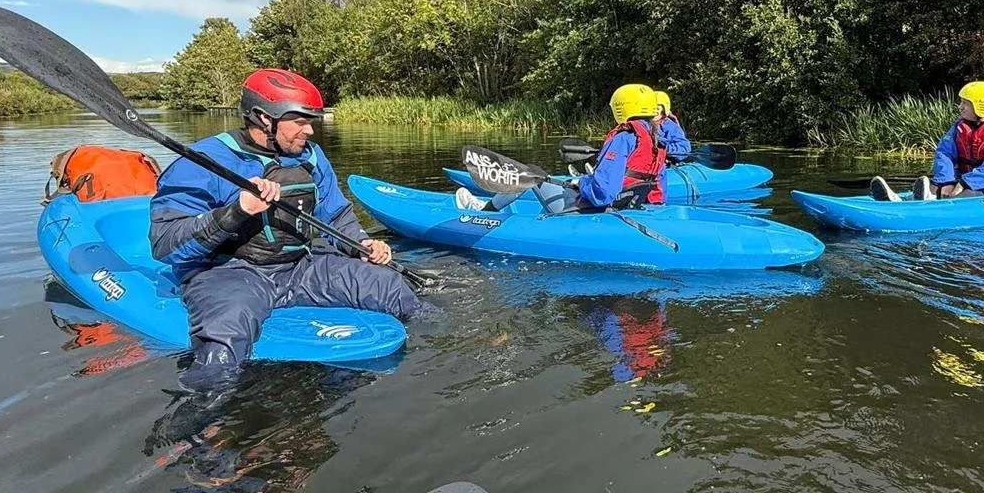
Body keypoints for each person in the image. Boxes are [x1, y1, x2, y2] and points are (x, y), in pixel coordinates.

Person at [150, 68, 422, 391]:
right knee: (224, 345)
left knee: (391, 286)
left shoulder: (311, 158)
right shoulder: (204, 162)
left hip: (299, 268)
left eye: (312, 120)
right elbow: (165, 242)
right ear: (265, 118)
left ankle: (443, 337)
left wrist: (363, 244)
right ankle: (202, 427)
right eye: (300, 120)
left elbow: (336, 216)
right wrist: (237, 211)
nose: (310, 130)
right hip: (230, 275)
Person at [455, 83, 669, 214]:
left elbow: (603, 193)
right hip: (625, 207)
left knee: (532, 173)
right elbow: (658, 192)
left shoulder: (623, 137)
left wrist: (583, 183)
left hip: (594, 210)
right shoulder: (657, 140)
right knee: (566, 184)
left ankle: (485, 213)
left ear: (622, 108)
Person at [872, 80, 984, 202]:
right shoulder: (960, 125)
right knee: (934, 185)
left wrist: (966, 183)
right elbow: (944, 153)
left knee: (966, 195)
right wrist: (947, 180)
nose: (960, 107)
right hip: (965, 177)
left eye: (966, 103)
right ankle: (900, 201)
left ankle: (927, 202)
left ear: (982, 106)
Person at [654, 90, 692, 162]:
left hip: (663, 161)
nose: (652, 112)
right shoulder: (643, 124)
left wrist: (663, 149)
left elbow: (684, 147)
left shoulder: (670, 127)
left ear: (664, 112)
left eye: (657, 109)